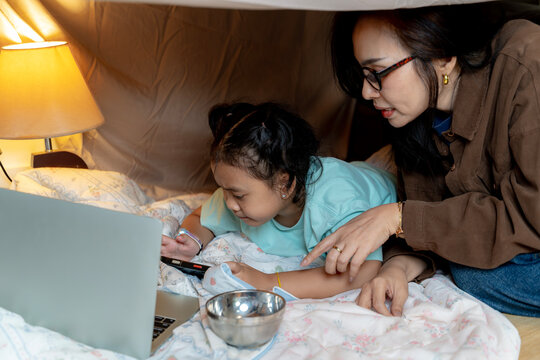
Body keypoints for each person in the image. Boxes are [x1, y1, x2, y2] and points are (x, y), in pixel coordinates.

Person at [301, 3, 540, 317]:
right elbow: (433, 216)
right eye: (363, 74)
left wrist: (397, 218)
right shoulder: (414, 117)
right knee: (471, 269)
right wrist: (396, 268)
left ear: (442, 56)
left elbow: (530, 216)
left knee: (476, 274)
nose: (367, 91)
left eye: (378, 72)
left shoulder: (526, 64)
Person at [161, 102, 397, 301]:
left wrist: (267, 281)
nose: (229, 203)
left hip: (379, 181)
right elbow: (200, 217)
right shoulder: (239, 197)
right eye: (224, 190)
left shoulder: (334, 204)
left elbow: (364, 271)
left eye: (238, 195)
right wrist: (191, 241)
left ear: (284, 183)